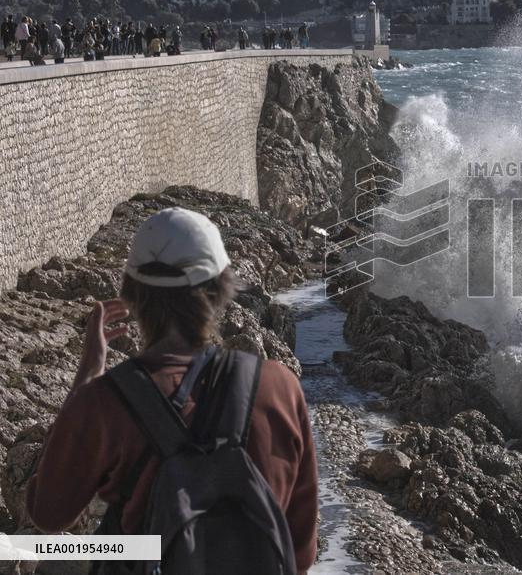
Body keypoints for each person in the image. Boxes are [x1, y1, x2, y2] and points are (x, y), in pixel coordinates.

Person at [25, 208, 318, 574]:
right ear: (221, 289)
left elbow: (49, 515)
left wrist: (87, 378)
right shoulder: (280, 388)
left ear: (131, 295)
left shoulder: (104, 402)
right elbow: (300, 553)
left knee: (49, 558)